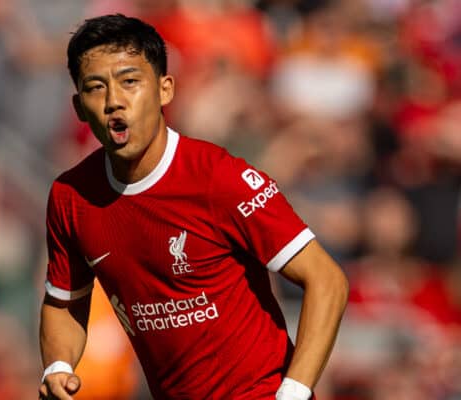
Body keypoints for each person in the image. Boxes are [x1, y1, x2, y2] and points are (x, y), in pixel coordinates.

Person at [39, 14, 348, 400]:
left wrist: (294, 392)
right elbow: (63, 302)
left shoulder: (219, 178)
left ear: (165, 89)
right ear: (79, 107)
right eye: (95, 88)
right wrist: (58, 367)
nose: (114, 101)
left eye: (130, 82)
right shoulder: (71, 196)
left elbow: (327, 279)